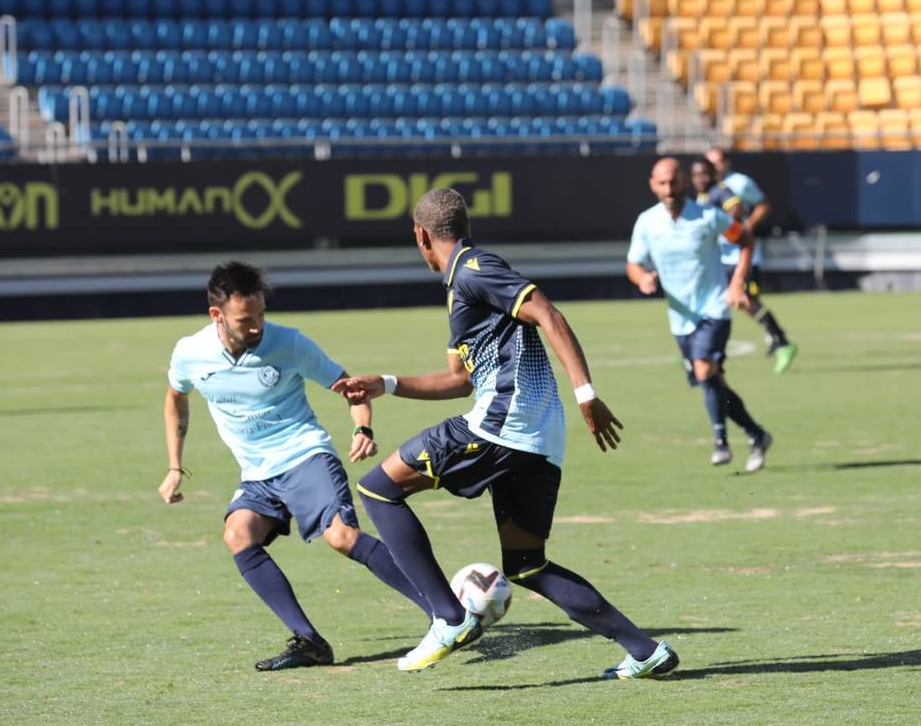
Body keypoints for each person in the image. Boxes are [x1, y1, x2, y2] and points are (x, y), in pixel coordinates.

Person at [339, 188, 678, 679]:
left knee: (378, 488)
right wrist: (386, 384)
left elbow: (547, 312)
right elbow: (458, 379)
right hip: (537, 437)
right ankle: (645, 650)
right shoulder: (462, 286)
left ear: (420, 236)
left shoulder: (475, 269)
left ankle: (448, 617)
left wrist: (587, 393)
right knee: (526, 565)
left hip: (503, 422)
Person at [159, 261, 433, 671]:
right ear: (216, 315)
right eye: (245, 320)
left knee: (341, 536)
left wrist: (364, 429)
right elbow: (175, 397)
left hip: (305, 455)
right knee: (237, 534)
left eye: (261, 315)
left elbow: (352, 390)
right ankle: (309, 642)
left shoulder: (289, 344)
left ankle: (443, 610)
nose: (257, 327)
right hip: (257, 474)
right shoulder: (190, 353)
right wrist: (175, 466)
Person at [627, 158, 773, 470]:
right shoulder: (647, 222)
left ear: (684, 182)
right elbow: (633, 264)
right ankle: (756, 434)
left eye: (674, 181)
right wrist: (643, 278)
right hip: (680, 317)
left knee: (705, 370)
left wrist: (736, 283)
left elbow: (745, 239)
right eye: (662, 183)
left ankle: (720, 442)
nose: (669, 189)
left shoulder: (708, 216)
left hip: (715, 307)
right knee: (713, 382)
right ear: (653, 185)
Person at [703, 148, 797, 374]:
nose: (713, 168)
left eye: (716, 163)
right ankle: (700, 351)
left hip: (741, 254)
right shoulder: (706, 189)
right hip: (719, 255)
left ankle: (782, 341)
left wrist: (747, 227)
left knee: (746, 300)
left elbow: (762, 204)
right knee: (718, 299)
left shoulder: (740, 183)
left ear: (725, 163)